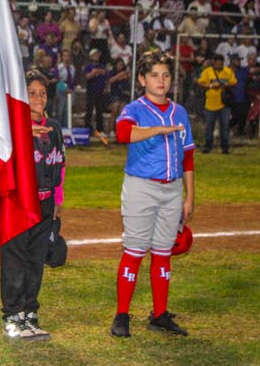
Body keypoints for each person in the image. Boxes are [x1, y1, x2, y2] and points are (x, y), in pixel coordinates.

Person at [110, 51, 194, 338]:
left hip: (171, 189)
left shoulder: (179, 112)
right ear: (142, 79)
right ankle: (122, 314)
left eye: (166, 75)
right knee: (134, 250)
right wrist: (160, 129)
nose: (161, 80)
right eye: (155, 75)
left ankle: (159, 314)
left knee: (163, 252)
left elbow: (188, 156)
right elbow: (123, 133)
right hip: (141, 187)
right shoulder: (135, 108)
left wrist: (189, 196)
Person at [0, 70, 65, 342]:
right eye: (32, 93)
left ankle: (30, 312)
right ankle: (12, 315)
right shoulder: (12, 128)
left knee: (37, 258)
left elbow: (59, 164)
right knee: (16, 259)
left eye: (42, 93)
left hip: (45, 203)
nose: (38, 98)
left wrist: (57, 200)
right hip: (18, 205)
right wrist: (23, 131)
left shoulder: (54, 128)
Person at [197, 54, 236, 154]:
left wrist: (226, 85)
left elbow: (234, 82)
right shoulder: (208, 71)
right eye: (217, 63)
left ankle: (225, 147)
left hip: (224, 104)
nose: (219, 65)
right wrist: (210, 85)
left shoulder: (228, 71)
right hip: (210, 104)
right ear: (214, 63)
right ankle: (208, 146)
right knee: (209, 126)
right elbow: (200, 83)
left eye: (220, 63)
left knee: (225, 126)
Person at [83, 49, 109, 136]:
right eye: (95, 55)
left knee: (99, 111)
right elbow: (87, 77)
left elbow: (105, 78)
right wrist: (94, 73)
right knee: (89, 111)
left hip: (100, 91)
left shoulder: (102, 66)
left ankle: (100, 129)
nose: (97, 56)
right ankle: (87, 129)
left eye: (97, 54)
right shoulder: (88, 66)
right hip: (91, 91)